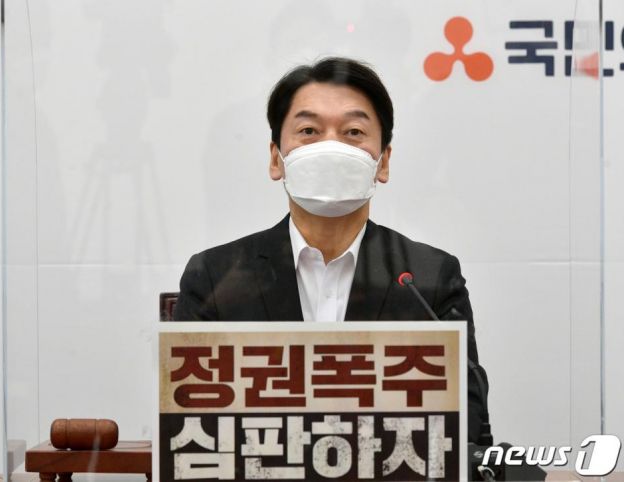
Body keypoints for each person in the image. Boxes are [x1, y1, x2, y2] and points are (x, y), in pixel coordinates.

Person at [174, 57, 489, 443]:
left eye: (353, 132)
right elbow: (188, 426)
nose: (331, 147)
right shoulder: (215, 276)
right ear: (276, 159)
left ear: (383, 162)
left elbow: (467, 427)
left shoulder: (428, 278)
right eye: (309, 130)